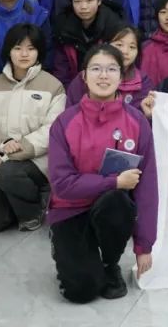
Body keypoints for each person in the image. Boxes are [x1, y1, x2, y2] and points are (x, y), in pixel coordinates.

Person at [48, 43, 157, 303]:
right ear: (84, 76)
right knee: (81, 291)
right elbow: (62, 184)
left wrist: (144, 246)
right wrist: (114, 181)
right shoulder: (65, 122)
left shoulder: (137, 122)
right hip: (70, 210)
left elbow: (148, 188)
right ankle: (63, 245)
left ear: (121, 76)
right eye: (96, 69)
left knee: (118, 201)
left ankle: (109, 263)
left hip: (110, 209)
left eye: (111, 69)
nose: (104, 76)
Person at [0, 24, 65, 233]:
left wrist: (8, 154)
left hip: (36, 163)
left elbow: (52, 130)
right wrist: (1, 145)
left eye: (31, 48)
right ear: (8, 51)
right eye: (18, 48)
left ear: (39, 52)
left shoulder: (53, 86)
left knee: (8, 172)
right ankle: (17, 202)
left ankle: (32, 211)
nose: (24, 54)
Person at [51, 0, 126, 86]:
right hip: (73, 88)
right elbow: (61, 71)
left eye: (89, 0)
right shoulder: (63, 26)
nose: (83, 7)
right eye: (77, 1)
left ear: (99, 0)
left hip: (107, 86)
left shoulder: (114, 26)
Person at [66, 25, 153, 110]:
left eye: (132, 47)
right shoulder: (85, 76)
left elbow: (141, 116)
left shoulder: (143, 81)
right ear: (105, 45)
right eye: (119, 45)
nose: (125, 51)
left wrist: (146, 114)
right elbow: (71, 112)